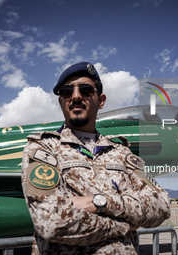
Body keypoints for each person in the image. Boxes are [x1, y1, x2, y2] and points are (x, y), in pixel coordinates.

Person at [21, 62, 170, 254]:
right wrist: (124, 225)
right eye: (66, 92)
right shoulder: (42, 147)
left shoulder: (123, 153)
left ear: (100, 100)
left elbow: (161, 204)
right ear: (61, 102)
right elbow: (51, 222)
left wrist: (100, 202)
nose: (75, 96)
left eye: (85, 90)